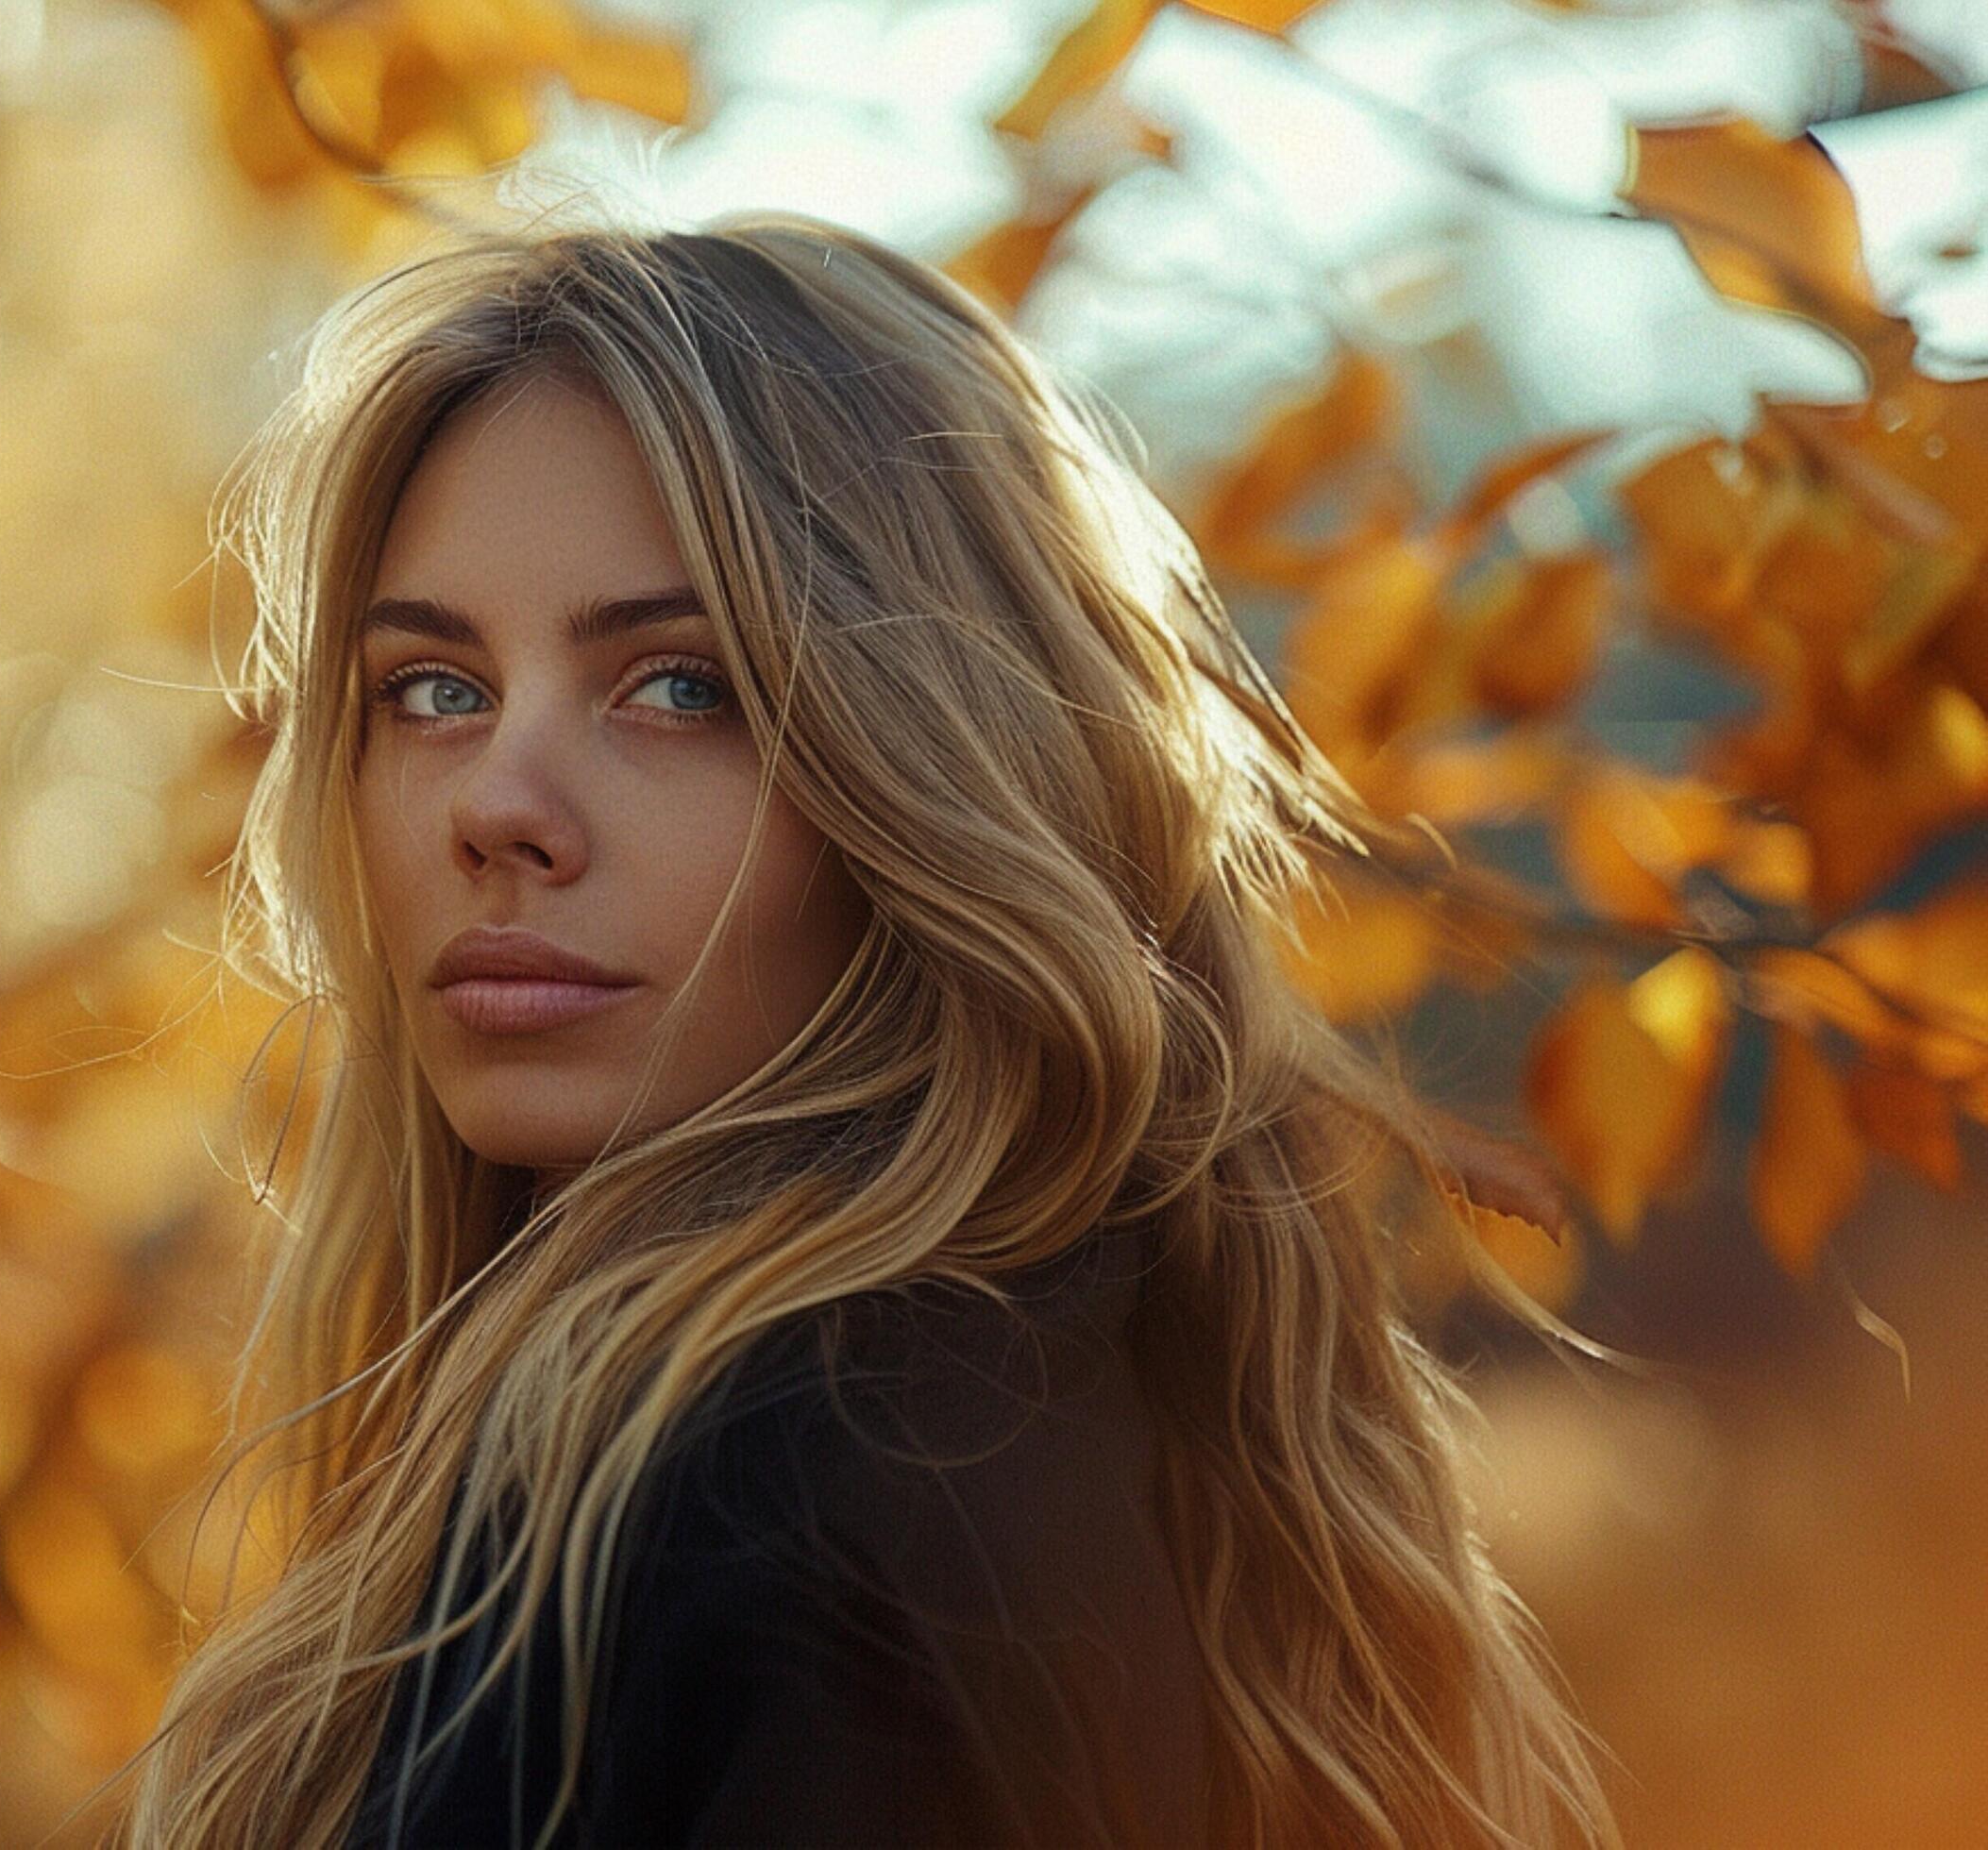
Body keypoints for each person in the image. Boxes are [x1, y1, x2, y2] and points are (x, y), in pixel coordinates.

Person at [105, 210, 1614, 1848]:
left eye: (680, 685)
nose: (497, 806)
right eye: (432, 689)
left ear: (934, 776)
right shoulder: (986, 1415)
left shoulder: (791, 1479)